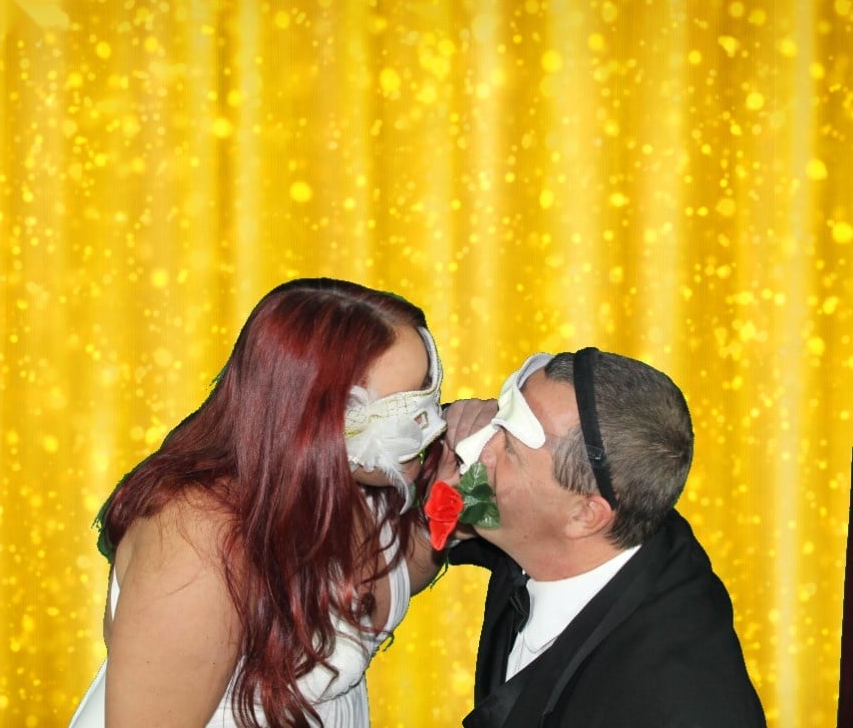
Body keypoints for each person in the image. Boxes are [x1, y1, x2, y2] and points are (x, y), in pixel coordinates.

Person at [67, 278, 448, 728]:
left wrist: (452, 504)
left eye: (428, 391)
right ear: (316, 417)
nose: (433, 425)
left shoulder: (350, 484)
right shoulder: (196, 545)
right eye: (402, 411)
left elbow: (387, 575)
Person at [437, 348, 766, 727]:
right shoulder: (604, 524)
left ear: (584, 515)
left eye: (509, 447)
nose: (475, 445)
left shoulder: (676, 703)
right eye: (500, 416)